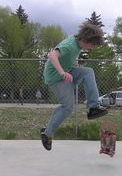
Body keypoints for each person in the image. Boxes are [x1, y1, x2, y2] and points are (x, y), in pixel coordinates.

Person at [40, 22, 108, 151]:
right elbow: (52, 55)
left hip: (68, 71)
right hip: (56, 78)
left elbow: (69, 58)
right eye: (92, 45)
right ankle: (47, 133)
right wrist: (61, 72)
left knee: (88, 72)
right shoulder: (70, 45)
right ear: (86, 40)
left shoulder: (77, 44)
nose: (92, 48)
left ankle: (93, 107)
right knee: (67, 108)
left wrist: (72, 67)